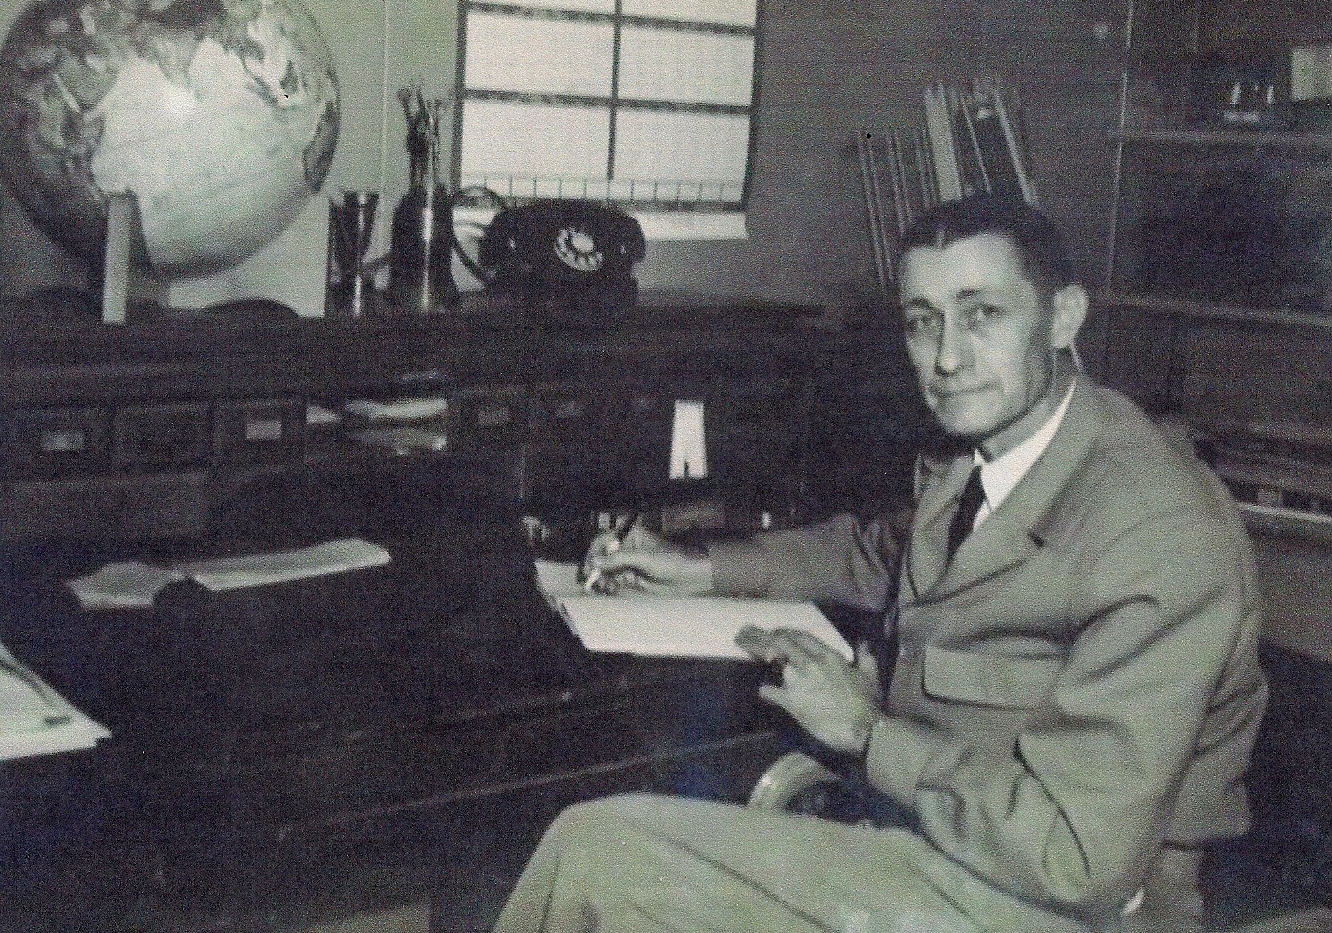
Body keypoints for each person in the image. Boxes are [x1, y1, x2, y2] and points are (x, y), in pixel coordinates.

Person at [491, 195, 1268, 933]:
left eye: (982, 314)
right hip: (949, 841)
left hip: (1071, 906)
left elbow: (1078, 858)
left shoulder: (1157, 534)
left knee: (596, 854)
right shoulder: (993, 451)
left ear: (1063, 316)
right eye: (923, 322)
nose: (948, 358)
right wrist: (701, 567)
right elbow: (881, 553)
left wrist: (869, 732)